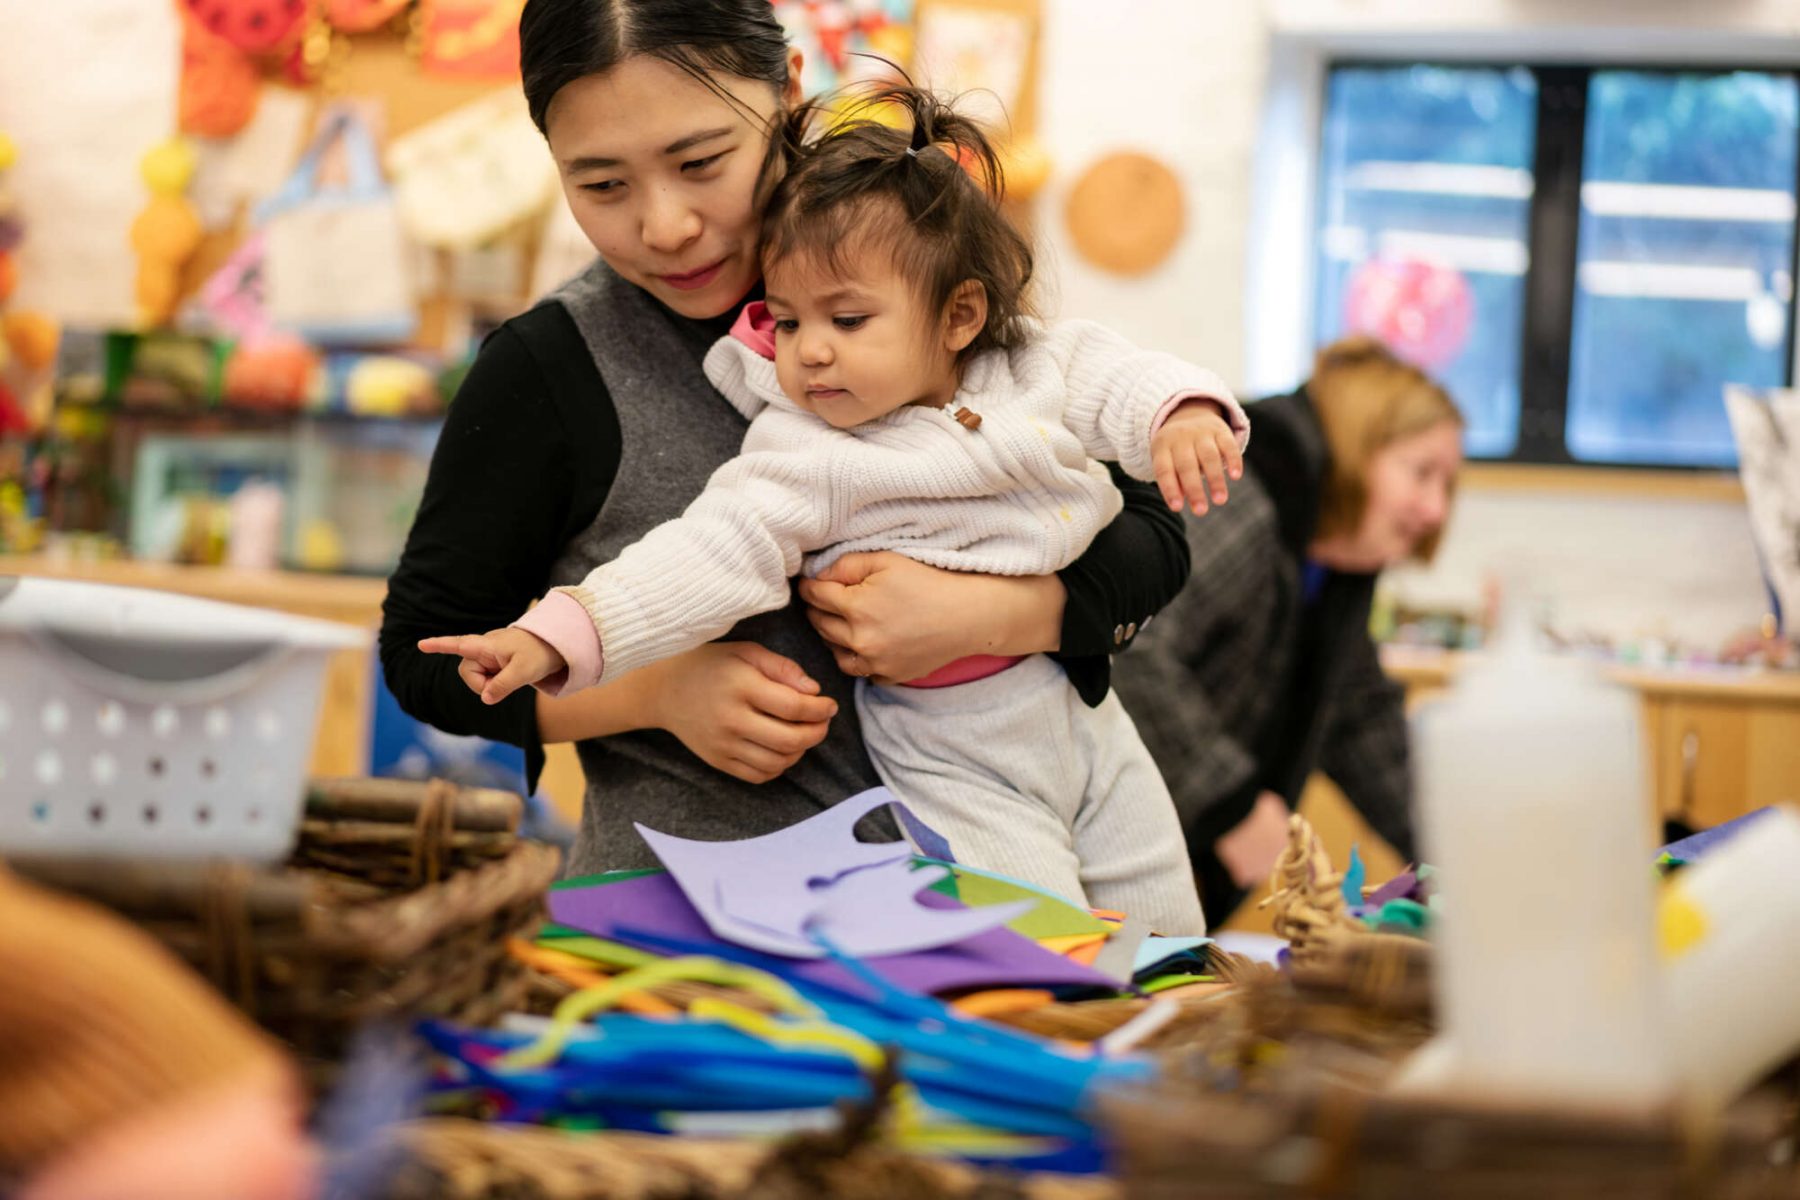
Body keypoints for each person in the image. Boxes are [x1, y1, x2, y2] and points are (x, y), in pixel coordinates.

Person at [378, 0, 1198, 880]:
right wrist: (658, 691)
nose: (665, 225)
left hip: (1004, 872)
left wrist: (986, 618)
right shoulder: (546, 370)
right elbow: (424, 660)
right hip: (694, 925)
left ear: (790, 93)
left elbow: (1150, 539)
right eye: (603, 185)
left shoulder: (908, 262)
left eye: (702, 162)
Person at [1110, 336, 1464, 923]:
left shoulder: (1334, 568)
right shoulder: (1239, 494)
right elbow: (1131, 644)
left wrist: (1463, 862)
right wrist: (1230, 805)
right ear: (1357, 447)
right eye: (1421, 473)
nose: (1436, 511)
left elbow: (1361, 723)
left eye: (1445, 485)